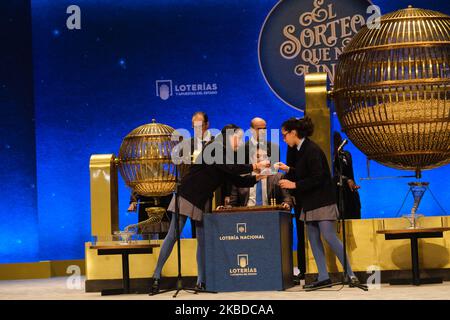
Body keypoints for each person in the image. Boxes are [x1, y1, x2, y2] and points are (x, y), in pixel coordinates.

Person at [150, 124, 269, 294]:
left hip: (202, 200)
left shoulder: (227, 154)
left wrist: (259, 176)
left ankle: (202, 281)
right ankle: (156, 277)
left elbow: (236, 179)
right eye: (239, 138)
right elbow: (231, 168)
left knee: (203, 241)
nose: (240, 142)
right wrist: (255, 166)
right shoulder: (214, 147)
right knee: (173, 235)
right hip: (187, 194)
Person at [275, 117, 360, 289]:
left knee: (329, 236)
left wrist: (294, 184)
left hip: (322, 200)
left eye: (285, 135)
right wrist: (289, 170)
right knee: (313, 239)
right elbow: (304, 171)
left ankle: (351, 274)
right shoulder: (299, 149)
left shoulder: (311, 149)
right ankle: (323, 276)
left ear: (293, 133)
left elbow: (319, 177)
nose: (283, 139)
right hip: (310, 201)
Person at [333, 132, 361, 219]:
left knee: (353, 209)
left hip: (348, 189)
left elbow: (350, 173)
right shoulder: (330, 156)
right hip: (336, 191)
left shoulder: (346, 155)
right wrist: (346, 180)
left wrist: (353, 184)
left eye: (339, 140)